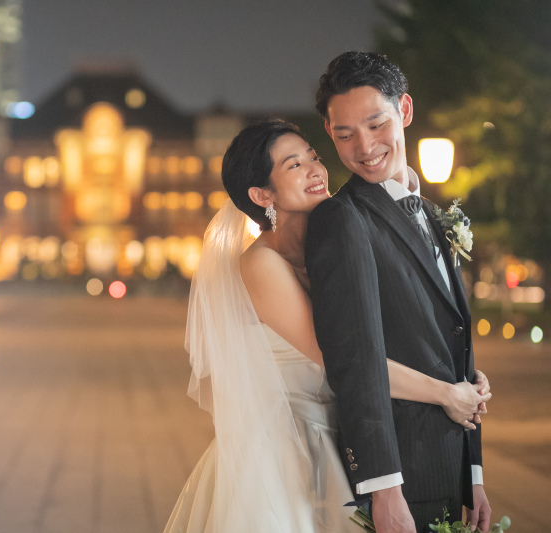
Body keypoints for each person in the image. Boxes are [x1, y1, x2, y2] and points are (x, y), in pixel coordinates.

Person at [164, 119, 490, 533]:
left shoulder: (337, 241)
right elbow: (343, 359)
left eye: (314, 157)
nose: (316, 170)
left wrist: (461, 374)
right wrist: (446, 393)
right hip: (290, 450)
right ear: (262, 194)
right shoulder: (261, 264)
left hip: (347, 435)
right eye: (294, 165)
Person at [306, 51, 491, 533]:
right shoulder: (341, 219)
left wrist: (474, 472)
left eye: (376, 124)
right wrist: (384, 490)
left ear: (404, 111)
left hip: (450, 465)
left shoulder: (431, 213)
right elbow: (353, 361)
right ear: (329, 133)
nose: (364, 146)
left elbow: (446, 336)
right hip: (401, 476)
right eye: (344, 134)